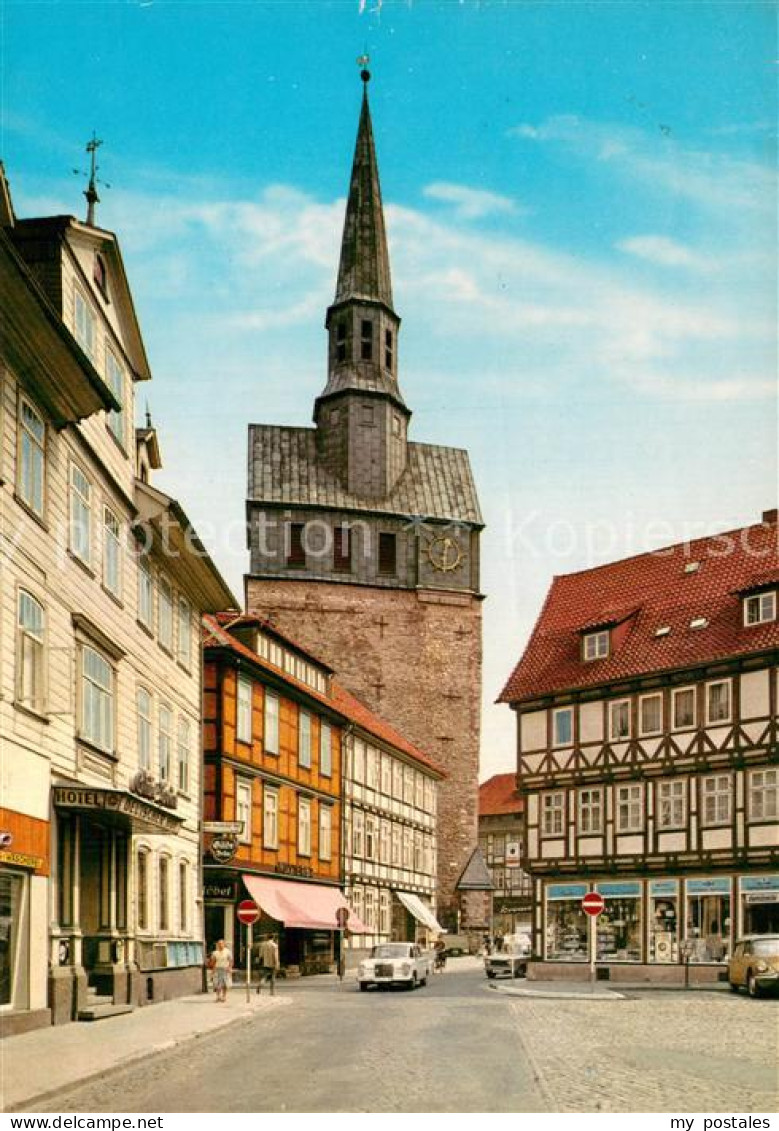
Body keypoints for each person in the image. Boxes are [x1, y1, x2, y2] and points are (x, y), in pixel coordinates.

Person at [209, 939, 232, 1003]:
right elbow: (213, 962)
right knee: (217, 984)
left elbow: (230, 960)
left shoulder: (228, 952)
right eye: (219, 944)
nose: (220, 945)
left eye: (221, 944)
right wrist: (213, 970)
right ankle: (218, 996)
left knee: (225, 984)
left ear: (224, 944)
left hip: (225, 969)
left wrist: (229, 968)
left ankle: (224, 996)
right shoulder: (215, 953)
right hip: (217, 969)